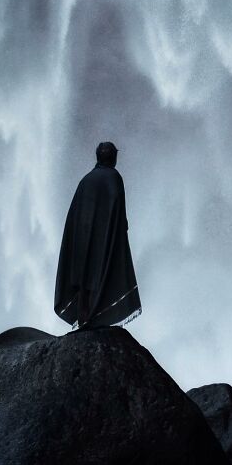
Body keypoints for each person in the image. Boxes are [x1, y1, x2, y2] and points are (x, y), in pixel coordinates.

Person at [54, 141, 142, 330]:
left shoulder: (86, 180)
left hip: (83, 240)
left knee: (84, 278)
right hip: (104, 239)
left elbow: (74, 215)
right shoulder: (114, 178)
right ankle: (94, 318)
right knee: (102, 275)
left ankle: (84, 318)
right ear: (114, 158)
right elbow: (119, 214)